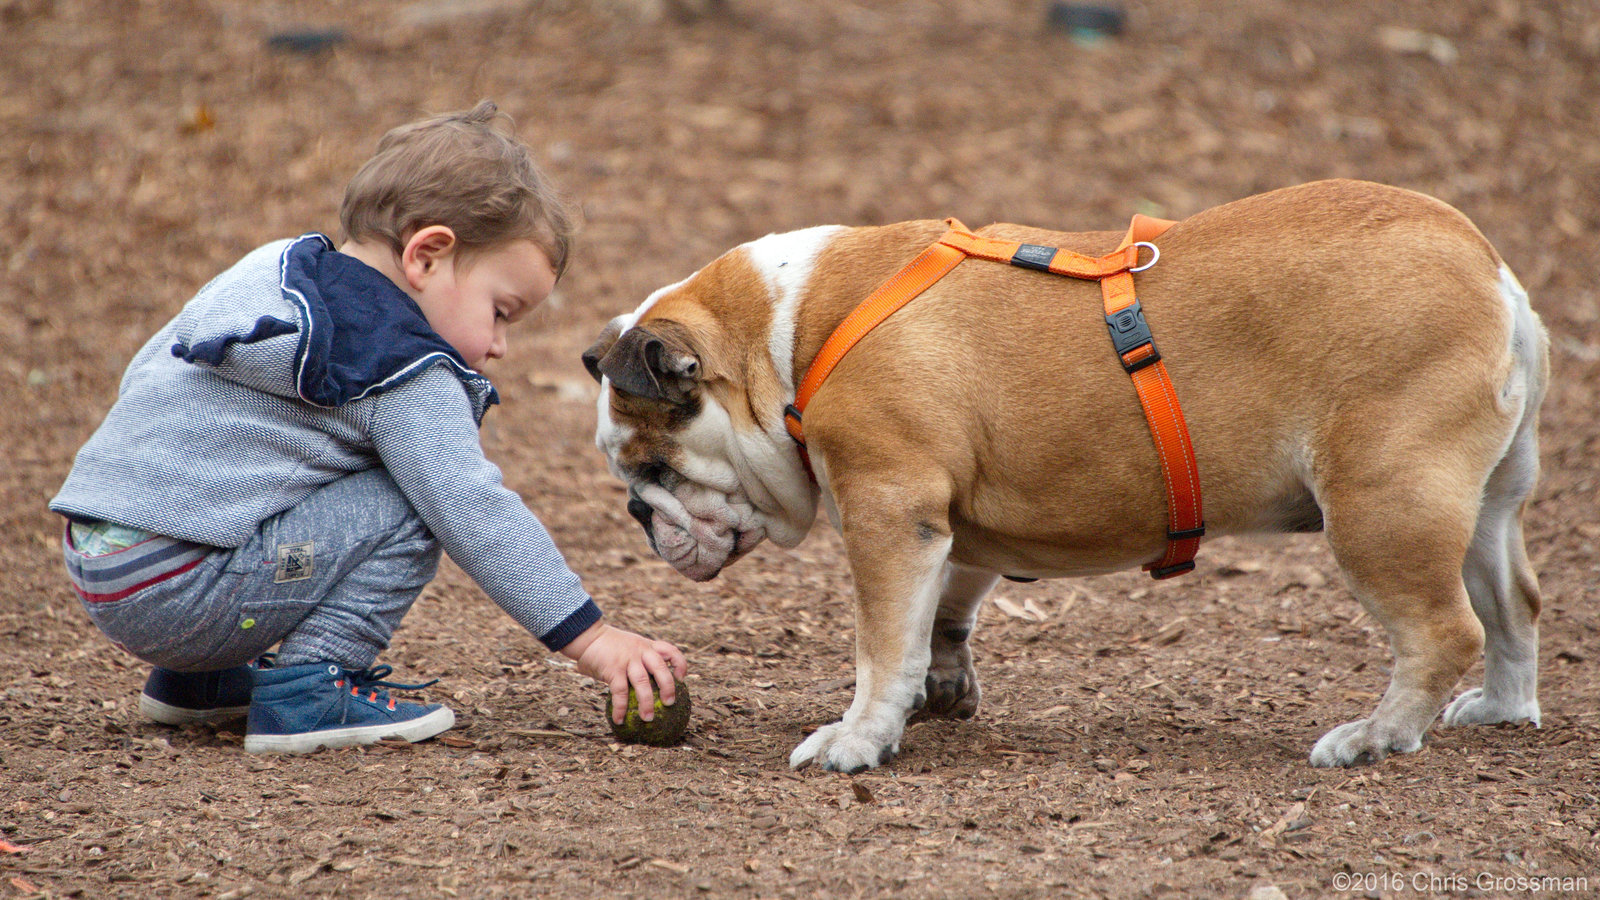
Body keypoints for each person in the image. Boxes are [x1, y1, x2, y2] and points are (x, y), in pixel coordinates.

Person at [50, 100, 686, 753]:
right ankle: (311, 688)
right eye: (501, 311)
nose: (498, 345)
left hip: (104, 558)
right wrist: (593, 640)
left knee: (286, 460)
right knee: (418, 496)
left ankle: (199, 680)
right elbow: (470, 508)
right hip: (184, 594)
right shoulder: (399, 365)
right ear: (428, 257)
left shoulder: (275, 275)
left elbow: (151, 374)